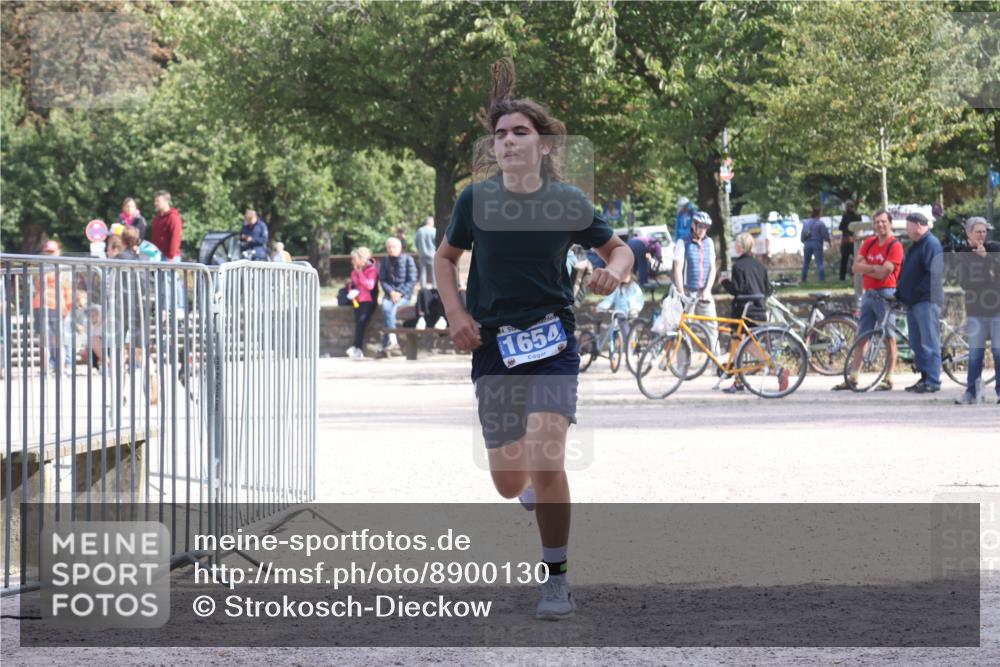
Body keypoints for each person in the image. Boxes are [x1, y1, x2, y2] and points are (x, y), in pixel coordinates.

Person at [434, 58, 632, 621]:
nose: (507, 141)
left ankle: (556, 579)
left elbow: (619, 250)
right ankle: (528, 487)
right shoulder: (475, 201)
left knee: (548, 461)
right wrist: (456, 314)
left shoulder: (566, 201)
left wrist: (613, 273)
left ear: (544, 145)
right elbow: (445, 260)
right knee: (507, 483)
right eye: (500, 134)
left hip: (552, 345)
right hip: (493, 346)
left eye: (520, 132)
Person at [833, 209, 905, 391]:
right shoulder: (869, 242)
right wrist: (874, 268)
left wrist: (867, 267)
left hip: (886, 294)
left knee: (889, 336)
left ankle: (889, 378)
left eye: (883, 221)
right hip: (869, 293)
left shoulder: (895, 246)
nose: (880, 225)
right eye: (877, 222)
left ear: (890, 223)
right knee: (862, 336)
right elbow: (855, 268)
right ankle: (853, 377)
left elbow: (884, 273)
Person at [952, 217, 1000, 404]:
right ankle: (971, 392)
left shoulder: (995, 249)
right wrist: (989, 277)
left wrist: (986, 259)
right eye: (978, 232)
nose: (982, 235)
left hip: (997, 309)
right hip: (976, 310)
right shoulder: (962, 256)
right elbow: (966, 283)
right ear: (968, 233)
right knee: (975, 354)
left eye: (984, 231)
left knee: (998, 352)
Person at [896, 211, 944, 393]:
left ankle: (933, 380)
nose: (906, 230)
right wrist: (901, 293)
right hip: (913, 302)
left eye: (908, 226)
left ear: (917, 226)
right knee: (917, 343)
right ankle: (924, 377)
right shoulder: (916, 246)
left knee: (930, 342)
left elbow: (934, 273)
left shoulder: (931, 244)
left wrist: (915, 292)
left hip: (926, 301)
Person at [719, 232, 773, 393]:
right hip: (760, 311)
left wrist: (724, 282)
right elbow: (768, 289)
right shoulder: (760, 266)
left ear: (742, 246)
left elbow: (737, 289)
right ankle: (738, 380)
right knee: (741, 344)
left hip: (744, 312)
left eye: (737, 244)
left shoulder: (738, 266)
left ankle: (773, 366)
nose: (735, 246)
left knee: (742, 344)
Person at [672, 211, 718, 350]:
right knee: (685, 327)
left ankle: (715, 358)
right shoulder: (683, 242)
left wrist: (707, 290)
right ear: (693, 225)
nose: (703, 230)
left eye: (706, 227)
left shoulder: (709, 243)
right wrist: (681, 293)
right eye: (701, 226)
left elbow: (712, 268)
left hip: (704, 292)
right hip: (688, 291)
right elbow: (678, 269)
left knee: (712, 325)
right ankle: (684, 360)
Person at [32, 239, 73, 376]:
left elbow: (37, 286)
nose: (49, 254)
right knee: (54, 340)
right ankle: (56, 369)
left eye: (51, 251)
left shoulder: (41, 267)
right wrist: (68, 306)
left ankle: (49, 369)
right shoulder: (61, 268)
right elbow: (68, 288)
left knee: (48, 340)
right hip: (52, 304)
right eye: (47, 252)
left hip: (47, 304)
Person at [378, 236, 417, 354]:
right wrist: (391, 292)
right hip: (389, 295)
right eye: (389, 247)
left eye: (393, 247)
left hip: (404, 295)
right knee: (386, 308)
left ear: (400, 248)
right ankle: (393, 340)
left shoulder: (408, 259)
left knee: (393, 311)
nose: (391, 249)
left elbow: (412, 280)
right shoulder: (385, 261)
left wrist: (399, 293)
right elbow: (383, 280)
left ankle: (387, 344)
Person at [151, 190, 185, 313]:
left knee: (172, 281)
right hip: (159, 256)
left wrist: (171, 255)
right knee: (164, 282)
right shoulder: (158, 218)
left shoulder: (173, 217)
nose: (155, 203)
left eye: (158, 200)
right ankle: (167, 308)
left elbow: (175, 238)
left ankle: (176, 308)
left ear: (166, 201)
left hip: (170, 256)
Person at [346, 247, 379, 360]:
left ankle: (357, 347)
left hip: (368, 301)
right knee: (358, 324)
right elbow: (353, 284)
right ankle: (356, 347)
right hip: (357, 300)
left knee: (361, 323)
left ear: (362, 259)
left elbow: (370, 285)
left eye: (354, 259)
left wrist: (360, 273)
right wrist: (351, 290)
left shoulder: (372, 270)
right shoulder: (354, 271)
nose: (352, 262)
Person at [800, 206, 831, 283]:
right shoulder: (820, 223)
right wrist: (828, 241)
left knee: (806, 262)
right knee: (819, 262)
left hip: (807, 243)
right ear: (818, 213)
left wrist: (804, 241)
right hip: (817, 243)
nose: (822, 213)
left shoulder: (806, 222)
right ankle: (822, 279)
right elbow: (825, 234)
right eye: (821, 212)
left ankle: (803, 279)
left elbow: (803, 234)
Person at [838, 200, 861, 281]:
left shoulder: (845, 216)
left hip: (847, 239)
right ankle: (858, 274)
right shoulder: (858, 216)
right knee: (857, 258)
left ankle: (842, 277)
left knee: (844, 259)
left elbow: (840, 227)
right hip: (855, 239)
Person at [415, 216, 437, 288]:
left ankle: (423, 287)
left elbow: (416, 242)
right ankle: (434, 286)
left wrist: (419, 250)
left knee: (423, 271)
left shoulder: (420, 230)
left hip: (422, 253)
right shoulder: (434, 231)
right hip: (432, 254)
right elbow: (436, 242)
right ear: (431, 222)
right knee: (434, 271)